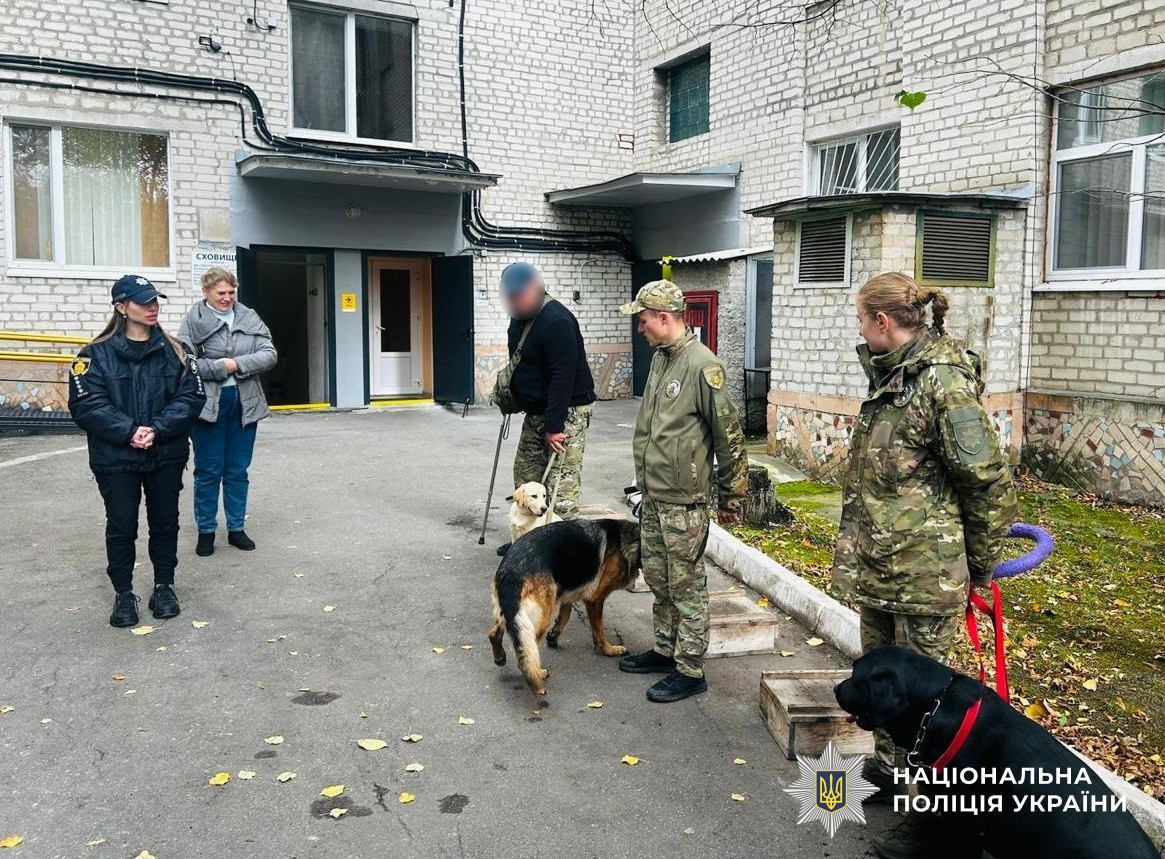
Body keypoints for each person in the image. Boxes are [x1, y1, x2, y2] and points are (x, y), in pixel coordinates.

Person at [831, 272, 1017, 859]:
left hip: (924, 576)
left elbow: (985, 482)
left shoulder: (943, 383)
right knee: (882, 685)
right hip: (880, 568)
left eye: (862, 319)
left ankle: (931, 828)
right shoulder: (892, 374)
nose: (860, 329)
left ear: (883, 322)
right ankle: (889, 771)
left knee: (928, 710)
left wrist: (980, 567)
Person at [617, 281, 748, 703]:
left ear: (663, 318)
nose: (640, 329)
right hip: (655, 495)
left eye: (643, 321)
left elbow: (728, 435)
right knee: (658, 577)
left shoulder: (703, 366)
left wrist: (731, 495)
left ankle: (690, 669)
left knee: (686, 585)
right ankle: (665, 649)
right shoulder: (661, 359)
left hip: (684, 501)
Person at [68, 275, 206, 628]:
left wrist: (156, 429)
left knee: (165, 523)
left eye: (155, 301)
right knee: (121, 526)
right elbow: (87, 405)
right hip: (116, 459)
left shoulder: (178, 351)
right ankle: (123, 593)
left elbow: (192, 397)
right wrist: (130, 432)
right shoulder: (93, 355)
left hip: (166, 453)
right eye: (143, 302)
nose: (152, 307)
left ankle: (164, 586)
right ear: (121, 307)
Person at [495, 262, 596, 554]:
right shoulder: (520, 318)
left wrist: (554, 426)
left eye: (519, 295)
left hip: (568, 410)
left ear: (536, 288)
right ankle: (526, 539)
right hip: (537, 411)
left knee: (561, 484)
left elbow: (562, 377)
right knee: (526, 473)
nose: (514, 301)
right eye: (510, 296)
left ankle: (563, 554)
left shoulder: (556, 321)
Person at [177, 267, 277, 556]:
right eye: (220, 293)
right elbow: (184, 362)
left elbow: (269, 354)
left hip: (245, 403)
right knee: (208, 471)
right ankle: (206, 531)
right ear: (206, 292)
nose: (227, 298)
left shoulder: (248, 316)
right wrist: (219, 368)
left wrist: (237, 364)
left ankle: (236, 528)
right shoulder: (194, 320)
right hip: (208, 405)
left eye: (231, 292)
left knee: (237, 470)